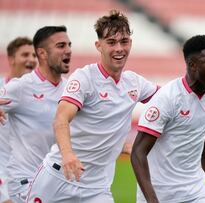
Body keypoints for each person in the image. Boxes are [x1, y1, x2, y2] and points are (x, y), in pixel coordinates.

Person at [26, 10, 160, 203]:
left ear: (130, 43)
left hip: (97, 190)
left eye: (124, 41)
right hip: (58, 178)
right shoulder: (84, 78)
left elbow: (170, 98)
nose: (119, 48)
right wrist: (68, 154)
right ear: (99, 46)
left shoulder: (135, 83)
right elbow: (61, 119)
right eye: (111, 42)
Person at [131, 35, 205, 203]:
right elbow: (138, 152)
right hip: (160, 196)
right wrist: (152, 200)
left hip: (196, 193)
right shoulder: (168, 98)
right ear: (192, 65)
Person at [0, 26, 71, 203]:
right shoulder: (21, 87)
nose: (68, 50)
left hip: (56, 180)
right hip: (25, 179)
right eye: (61, 45)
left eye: (69, 45)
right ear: (43, 53)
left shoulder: (71, 89)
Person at [0, 37, 37, 203]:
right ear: (11, 59)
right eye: (25, 54)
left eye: (34, 55)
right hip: (3, 167)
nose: (31, 59)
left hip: (32, 170)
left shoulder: (41, 93)